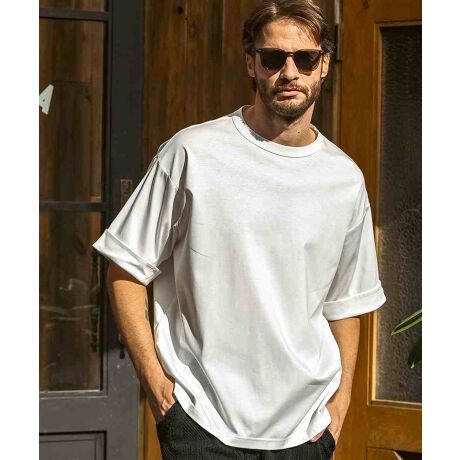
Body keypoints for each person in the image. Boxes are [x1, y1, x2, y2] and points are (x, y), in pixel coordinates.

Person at [92, 0, 386, 458]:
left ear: (325, 65)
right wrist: (156, 384)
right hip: (201, 423)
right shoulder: (192, 153)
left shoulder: (344, 179)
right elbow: (125, 267)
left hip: (307, 430)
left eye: (305, 58)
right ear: (251, 63)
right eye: (273, 58)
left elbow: (347, 301)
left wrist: (342, 401)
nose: (289, 72)